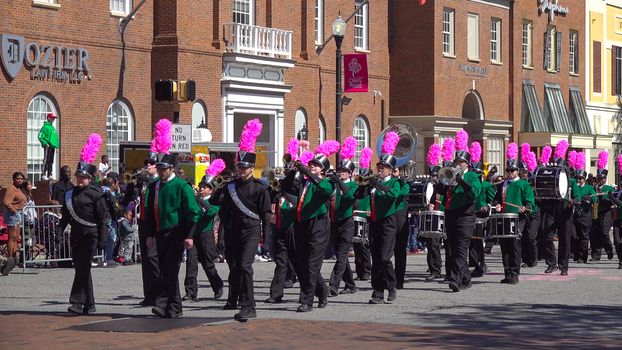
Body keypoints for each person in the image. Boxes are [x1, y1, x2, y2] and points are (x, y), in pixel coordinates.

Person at [209, 119, 271, 321]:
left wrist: (266, 239)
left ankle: (249, 306)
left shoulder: (260, 188)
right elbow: (219, 206)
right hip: (233, 231)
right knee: (235, 267)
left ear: (252, 168)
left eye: (244, 168)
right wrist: (221, 184)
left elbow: (265, 215)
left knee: (245, 266)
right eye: (239, 167)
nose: (240, 171)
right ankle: (233, 299)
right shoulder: (230, 186)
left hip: (251, 231)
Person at [281, 141, 337, 312]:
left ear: (323, 170)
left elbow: (325, 190)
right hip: (301, 224)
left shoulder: (327, 182)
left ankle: (307, 301)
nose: (312, 167)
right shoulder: (304, 182)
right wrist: (293, 170)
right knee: (302, 263)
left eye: (316, 165)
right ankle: (322, 291)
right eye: (311, 164)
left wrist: (307, 172)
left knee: (312, 264)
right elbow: (286, 187)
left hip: (319, 225)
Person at [144, 152, 200, 318]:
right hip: (161, 233)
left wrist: (189, 235)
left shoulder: (182, 186)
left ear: (171, 168)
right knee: (163, 269)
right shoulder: (154, 187)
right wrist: (149, 234)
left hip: (177, 232)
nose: (161, 172)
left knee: (170, 269)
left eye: (164, 168)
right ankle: (174, 306)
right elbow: (149, 212)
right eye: (159, 168)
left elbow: (193, 212)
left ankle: (165, 305)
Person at [59, 134, 109, 314]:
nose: (80, 180)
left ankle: (77, 303)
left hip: (91, 234)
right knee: (81, 269)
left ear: (90, 178)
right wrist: (59, 231)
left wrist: (103, 240)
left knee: (83, 267)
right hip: (76, 234)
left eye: (83, 177)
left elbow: (103, 219)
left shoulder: (96, 194)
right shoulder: (70, 194)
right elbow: (65, 216)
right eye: (78, 176)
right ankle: (90, 304)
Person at [436, 139, 481, 292]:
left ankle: (455, 279)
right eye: (456, 161)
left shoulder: (473, 176)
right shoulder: (451, 176)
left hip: (466, 215)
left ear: (467, 164)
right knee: (453, 249)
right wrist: (442, 180)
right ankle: (466, 279)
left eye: (461, 162)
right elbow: (440, 192)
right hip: (451, 214)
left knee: (461, 248)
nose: (457, 164)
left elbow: (474, 193)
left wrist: (461, 181)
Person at [492, 148, 534, 284]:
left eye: (512, 170)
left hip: (517, 218)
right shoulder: (502, 185)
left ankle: (514, 274)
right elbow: (496, 199)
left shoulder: (524, 184)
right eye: (508, 170)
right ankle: (507, 272)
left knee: (515, 245)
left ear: (518, 172)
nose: (509, 173)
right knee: (504, 246)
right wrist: (497, 204)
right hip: (504, 217)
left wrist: (525, 208)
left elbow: (529, 202)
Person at [182, 170, 224, 302]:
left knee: (208, 264)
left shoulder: (213, 201)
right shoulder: (195, 199)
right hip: (193, 233)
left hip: (206, 234)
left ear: (211, 189)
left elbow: (212, 211)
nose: (201, 189)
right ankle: (190, 292)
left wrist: (199, 199)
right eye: (201, 186)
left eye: (205, 187)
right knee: (191, 263)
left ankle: (217, 285)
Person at [328, 144, 359, 296]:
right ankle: (351, 284)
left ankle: (333, 285)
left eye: (344, 171)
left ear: (350, 173)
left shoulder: (353, 185)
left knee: (341, 255)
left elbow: (349, 197)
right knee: (341, 255)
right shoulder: (333, 185)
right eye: (340, 171)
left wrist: (338, 182)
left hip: (347, 222)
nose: (341, 173)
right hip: (334, 222)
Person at [137, 156, 160, 307]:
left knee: (153, 259)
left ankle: (159, 294)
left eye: (151, 164)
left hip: (156, 223)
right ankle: (149, 295)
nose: (148, 166)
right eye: (147, 164)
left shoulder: (159, 182)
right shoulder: (144, 183)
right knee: (146, 260)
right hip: (144, 223)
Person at [470, 163, 495, 277]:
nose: (476, 175)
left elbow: (493, 200)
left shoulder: (486, 185)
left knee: (479, 241)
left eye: (478, 173)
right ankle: (474, 264)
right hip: (470, 214)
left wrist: (487, 206)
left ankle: (481, 264)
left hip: (481, 215)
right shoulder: (469, 185)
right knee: (470, 242)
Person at [2, 172, 27, 275]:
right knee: (12, 237)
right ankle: (10, 257)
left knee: (16, 237)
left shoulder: (19, 189)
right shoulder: (11, 189)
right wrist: (15, 211)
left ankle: (12, 259)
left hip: (17, 213)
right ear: (13, 179)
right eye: (17, 179)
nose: (20, 180)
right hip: (13, 214)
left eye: (21, 179)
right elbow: (6, 201)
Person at [592, 157, 615, 261]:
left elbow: (609, 200)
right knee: (595, 234)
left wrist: (602, 195)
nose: (599, 180)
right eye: (598, 178)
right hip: (595, 213)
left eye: (601, 178)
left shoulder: (610, 188)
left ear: (605, 179)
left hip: (605, 213)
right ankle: (596, 255)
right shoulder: (593, 188)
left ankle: (609, 250)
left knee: (604, 233)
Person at [572, 167, 595, 264]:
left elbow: (594, 199)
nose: (579, 180)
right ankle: (576, 254)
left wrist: (587, 198)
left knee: (584, 237)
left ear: (584, 179)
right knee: (574, 236)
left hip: (585, 216)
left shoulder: (589, 188)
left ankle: (583, 257)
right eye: (578, 178)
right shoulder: (574, 187)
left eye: (581, 178)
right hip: (575, 215)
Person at [38, 113, 59, 180]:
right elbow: (40, 136)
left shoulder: (53, 128)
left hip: (53, 147)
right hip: (48, 146)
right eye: (52, 118)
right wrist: (45, 143)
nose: (53, 119)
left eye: (54, 118)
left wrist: (57, 147)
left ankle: (50, 174)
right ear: (48, 118)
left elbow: (56, 138)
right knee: (46, 160)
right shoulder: (45, 127)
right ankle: (44, 174)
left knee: (51, 161)